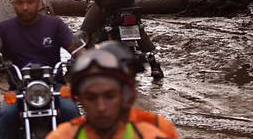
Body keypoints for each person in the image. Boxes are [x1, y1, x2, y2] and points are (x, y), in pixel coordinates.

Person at [0, 0, 82, 139]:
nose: (25, 7)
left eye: (30, 2)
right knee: (6, 114)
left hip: (54, 87)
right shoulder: (3, 28)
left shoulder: (55, 25)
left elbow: (74, 47)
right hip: (19, 89)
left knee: (70, 109)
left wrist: (85, 59)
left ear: (38, 2)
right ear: (13, 4)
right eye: (20, 3)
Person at [46, 45, 179, 139]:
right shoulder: (63, 135)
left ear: (128, 95)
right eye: (91, 97)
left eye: (110, 96)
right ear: (79, 99)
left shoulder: (158, 131)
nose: (101, 107)